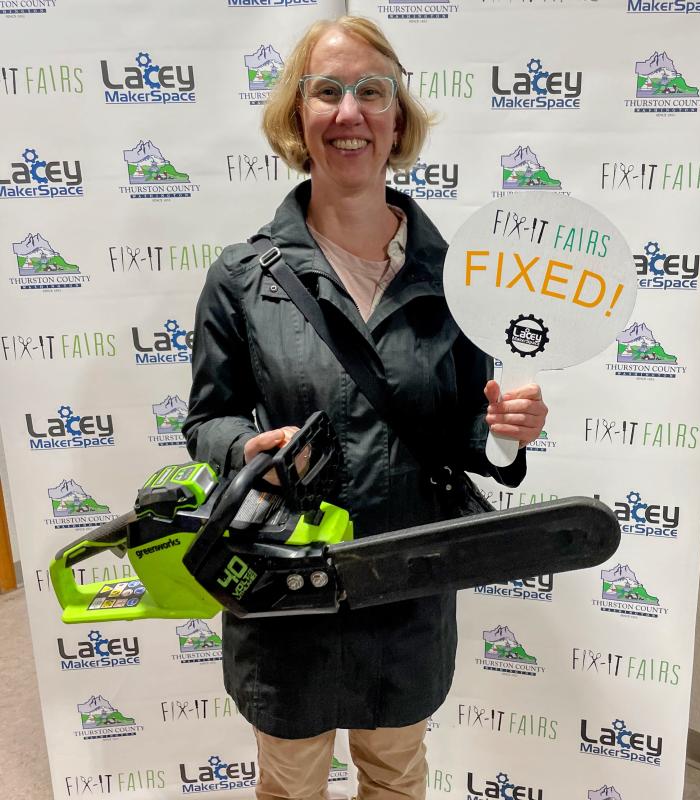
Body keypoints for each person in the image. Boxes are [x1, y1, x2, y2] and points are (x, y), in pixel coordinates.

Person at [183, 15, 547, 800]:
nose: (350, 112)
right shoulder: (243, 276)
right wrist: (241, 451)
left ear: (397, 119)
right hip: (285, 586)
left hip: (407, 587)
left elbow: (465, 426)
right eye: (327, 91)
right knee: (290, 784)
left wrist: (507, 433)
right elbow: (205, 420)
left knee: (394, 778)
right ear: (298, 117)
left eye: (372, 92)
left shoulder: (459, 277)